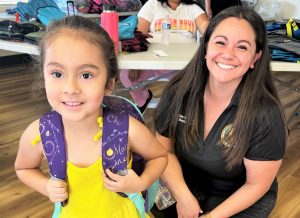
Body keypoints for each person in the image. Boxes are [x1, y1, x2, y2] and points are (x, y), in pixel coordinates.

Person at [15, 16, 168, 218]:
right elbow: (24, 168)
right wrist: (46, 186)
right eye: (57, 74)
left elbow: (159, 156)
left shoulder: (127, 129)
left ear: (109, 84)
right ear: (43, 75)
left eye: (86, 75)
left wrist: (141, 182)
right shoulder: (38, 133)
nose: (70, 89)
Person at [154, 6, 287, 218]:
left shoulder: (266, 114)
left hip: (239, 198)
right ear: (206, 47)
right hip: (186, 186)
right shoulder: (178, 91)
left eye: (242, 47)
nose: (228, 54)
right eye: (220, 42)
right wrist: (183, 197)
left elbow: (256, 185)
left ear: (255, 57)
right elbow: (161, 153)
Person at [119, 0, 209, 113]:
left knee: (197, 81)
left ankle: (180, 104)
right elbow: (140, 32)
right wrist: (135, 64)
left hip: (183, 64)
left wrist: (214, 31)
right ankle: (143, 98)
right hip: (152, 60)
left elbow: (206, 26)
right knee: (128, 75)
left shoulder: (193, 7)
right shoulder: (153, 4)